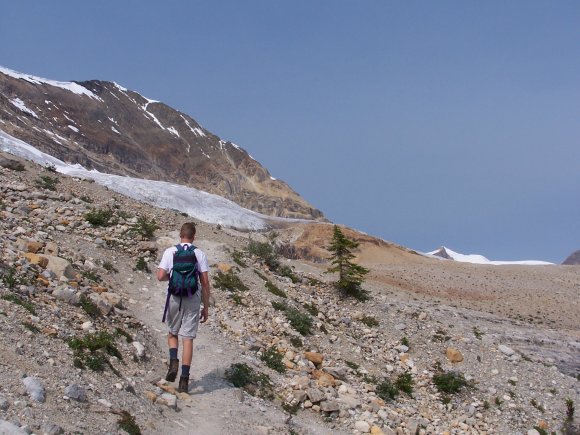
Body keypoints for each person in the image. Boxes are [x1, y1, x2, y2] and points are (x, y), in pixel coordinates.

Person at [157, 222, 210, 393]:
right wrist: (206, 306)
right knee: (188, 338)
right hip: (192, 298)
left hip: (175, 296)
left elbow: (160, 276)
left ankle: (173, 362)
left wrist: (171, 278)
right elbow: (205, 282)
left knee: (173, 333)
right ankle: (184, 381)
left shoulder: (170, 251)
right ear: (194, 236)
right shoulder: (199, 253)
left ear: (180, 235)